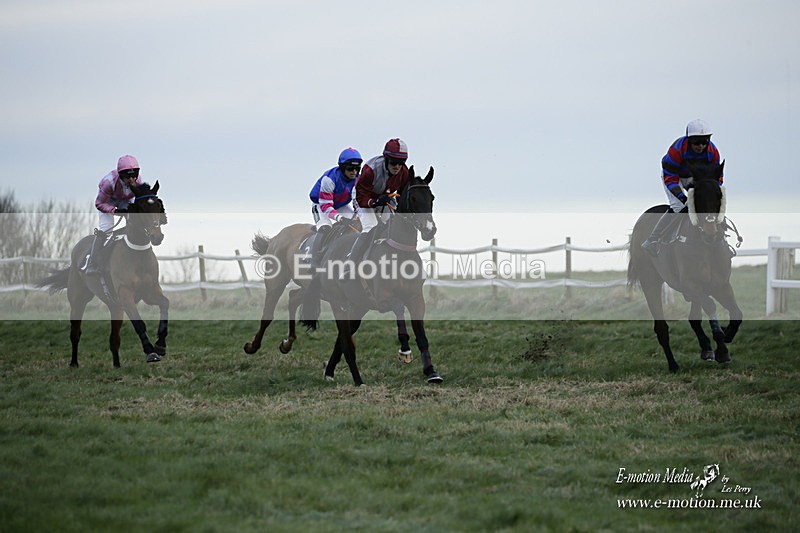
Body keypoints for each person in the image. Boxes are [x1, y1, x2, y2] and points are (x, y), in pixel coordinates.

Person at [641, 119, 723, 256]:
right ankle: (653, 239)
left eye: (704, 142)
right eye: (696, 143)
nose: (701, 146)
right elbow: (670, 179)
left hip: (694, 177)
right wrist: (682, 197)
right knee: (679, 207)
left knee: (708, 204)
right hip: (674, 177)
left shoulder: (713, 152)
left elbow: (715, 177)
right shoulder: (676, 151)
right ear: (689, 141)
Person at [345, 138, 411, 265]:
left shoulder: (404, 172)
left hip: (385, 196)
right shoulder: (370, 169)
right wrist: (375, 202)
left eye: (401, 162)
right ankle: (350, 264)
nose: (397, 166)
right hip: (363, 196)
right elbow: (362, 197)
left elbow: (401, 195)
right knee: (371, 226)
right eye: (394, 162)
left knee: (391, 225)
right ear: (386, 158)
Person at [85, 154, 143, 274]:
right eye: (128, 177)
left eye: (134, 176)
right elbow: (99, 203)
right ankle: (92, 262)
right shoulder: (109, 183)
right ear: (121, 175)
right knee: (106, 230)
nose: (132, 180)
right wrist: (115, 211)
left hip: (126, 200)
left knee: (135, 223)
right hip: (108, 201)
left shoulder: (138, 181)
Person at [307, 147, 362, 271]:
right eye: (350, 168)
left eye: (357, 168)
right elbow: (326, 206)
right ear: (342, 167)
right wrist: (339, 218)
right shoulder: (329, 179)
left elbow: (357, 201)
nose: (354, 172)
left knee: (358, 223)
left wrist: (359, 214)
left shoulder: (357, 179)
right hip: (320, 205)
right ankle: (314, 262)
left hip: (340, 205)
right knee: (325, 227)